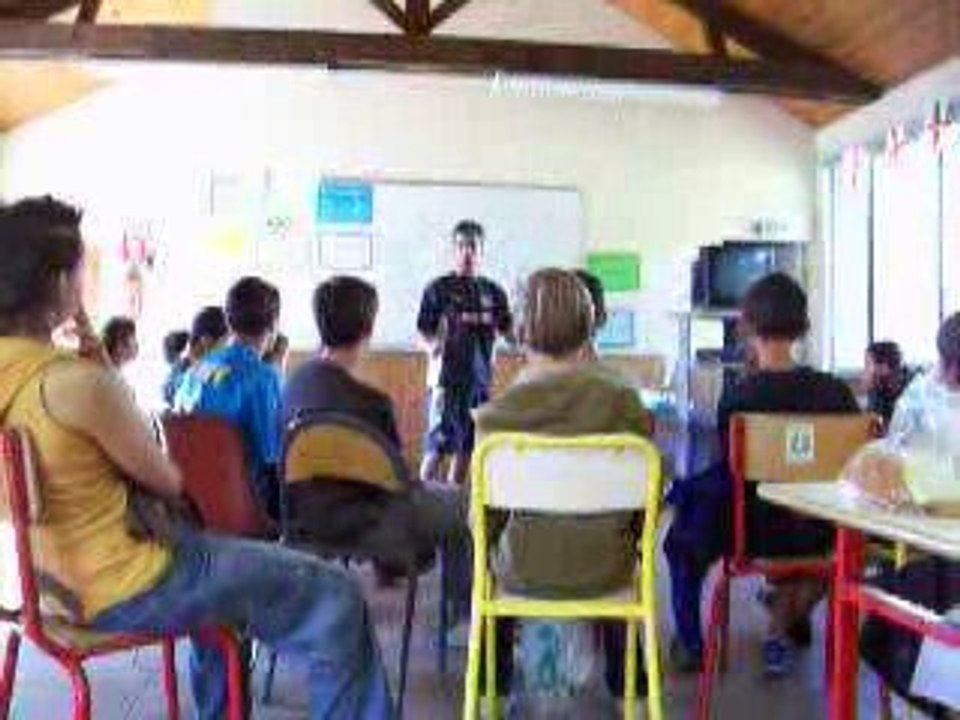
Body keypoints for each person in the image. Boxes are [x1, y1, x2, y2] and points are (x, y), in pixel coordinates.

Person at [0, 197, 393, 720]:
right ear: (57, 284)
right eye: (79, 271)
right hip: (125, 583)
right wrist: (99, 366)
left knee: (230, 591)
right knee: (337, 596)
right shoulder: (73, 384)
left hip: (45, 585)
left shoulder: (18, 375)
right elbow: (165, 478)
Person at [665, 272, 859, 676]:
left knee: (682, 540)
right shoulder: (837, 394)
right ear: (804, 326)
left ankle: (690, 642)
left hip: (749, 532)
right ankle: (788, 609)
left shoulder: (739, 398)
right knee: (834, 560)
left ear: (748, 325)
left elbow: (732, 472)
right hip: (821, 531)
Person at [473, 268, 654, 701]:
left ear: (519, 332)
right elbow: (645, 505)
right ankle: (632, 689)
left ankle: (489, 690)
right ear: (591, 325)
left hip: (523, 571)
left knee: (484, 558)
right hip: (608, 569)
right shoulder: (625, 402)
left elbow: (480, 521)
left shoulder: (497, 416)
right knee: (625, 546)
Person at [282, 276, 470, 602]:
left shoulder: (295, 382)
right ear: (368, 328)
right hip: (370, 526)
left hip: (303, 520)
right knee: (466, 504)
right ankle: (461, 617)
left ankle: (389, 565)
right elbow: (395, 484)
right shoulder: (371, 403)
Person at [859, 312, 960, 717]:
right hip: (931, 546)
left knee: (918, 590)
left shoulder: (919, 398)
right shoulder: (919, 401)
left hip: (933, 553)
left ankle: (929, 700)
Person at [175, 278, 283, 520]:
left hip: (190, 504)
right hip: (241, 506)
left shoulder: (197, 368)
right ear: (274, 324)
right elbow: (271, 455)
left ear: (228, 320)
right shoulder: (264, 377)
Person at [417, 220, 512, 485]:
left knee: (466, 450)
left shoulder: (493, 292)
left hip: (479, 384)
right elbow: (423, 332)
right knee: (436, 449)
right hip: (446, 383)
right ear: (454, 250)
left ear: (481, 251)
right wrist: (433, 346)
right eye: (461, 246)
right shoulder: (438, 289)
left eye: (473, 246)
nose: (467, 252)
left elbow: (510, 333)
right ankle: (417, 508)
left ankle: (451, 514)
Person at [162, 307, 228, 408]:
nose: (228, 347)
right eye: (225, 341)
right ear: (207, 340)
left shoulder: (194, 364)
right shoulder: (196, 368)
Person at [864, 340, 910, 427]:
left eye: (868, 364)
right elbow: (872, 423)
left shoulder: (912, 391)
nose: (865, 370)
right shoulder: (877, 389)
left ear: (884, 366)